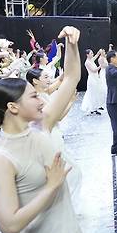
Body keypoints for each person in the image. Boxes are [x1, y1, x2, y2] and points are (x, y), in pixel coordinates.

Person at [0, 26, 104, 233]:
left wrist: (72, 46)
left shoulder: (42, 126)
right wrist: (51, 187)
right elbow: (9, 225)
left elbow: (72, 76)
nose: (42, 100)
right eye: (33, 97)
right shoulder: (0, 159)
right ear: (12, 107)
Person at [26, 68, 82, 199]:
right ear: (35, 81)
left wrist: (65, 76)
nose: (49, 80)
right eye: (45, 77)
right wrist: (71, 101)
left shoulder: (43, 92)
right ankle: (62, 198)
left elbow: (58, 83)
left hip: (53, 132)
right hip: (52, 135)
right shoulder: (39, 98)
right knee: (71, 170)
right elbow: (59, 117)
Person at [81, 49, 104, 115]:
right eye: (91, 53)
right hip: (92, 80)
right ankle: (91, 108)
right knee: (92, 94)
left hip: (95, 78)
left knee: (96, 93)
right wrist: (100, 66)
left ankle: (95, 108)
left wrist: (99, 52)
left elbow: (96, 55)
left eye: (92, 53)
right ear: (87, 55)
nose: (92, 54)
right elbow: (94, 70)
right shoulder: (87, 62)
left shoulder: (91, 60)